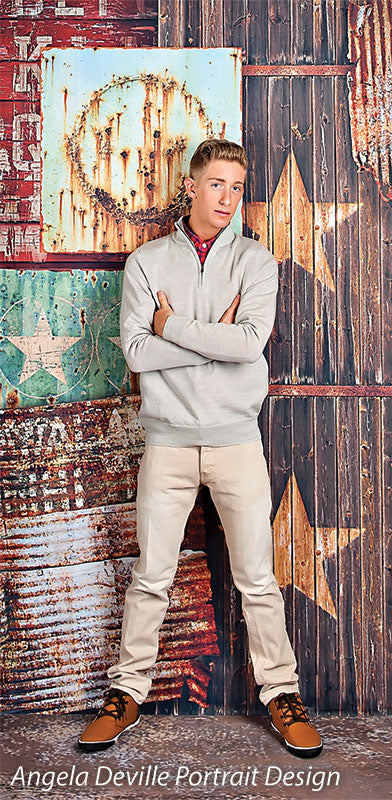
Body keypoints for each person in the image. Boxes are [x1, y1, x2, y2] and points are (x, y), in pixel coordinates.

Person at [78, 138, 322, 758]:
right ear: (191, 186)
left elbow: (248, 346)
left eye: (237, 187)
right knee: (151, 576)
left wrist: (173, 328)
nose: (228, 198)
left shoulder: (256, 262)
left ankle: (282, 694)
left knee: (257, 579)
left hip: (236, 441)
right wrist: (214, 338)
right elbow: (137, 353)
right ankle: (126, 693)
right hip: (168, 442)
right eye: (217, 184)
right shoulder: (147, 263)